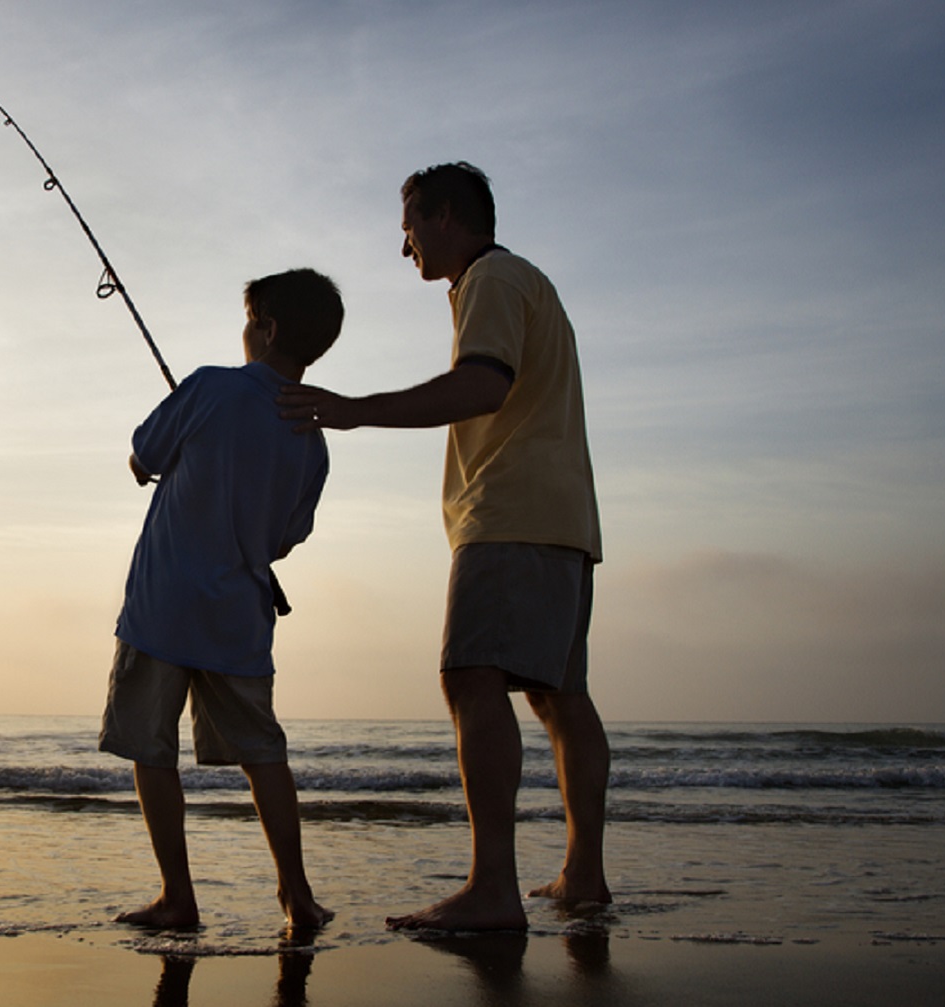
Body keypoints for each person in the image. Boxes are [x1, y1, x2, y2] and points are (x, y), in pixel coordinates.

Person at [277, 162, 610, 931]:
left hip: (510, 514)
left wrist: (355, 410)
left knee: (468, 677)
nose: (405, 250)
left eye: (409, 229)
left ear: (447, 216)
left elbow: (482, 386)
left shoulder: (491, 279)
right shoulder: (531, 282)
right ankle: (583, 875)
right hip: (564, 520)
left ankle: (492, 887)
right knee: (560, 697)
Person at [100, 268, 344, 932]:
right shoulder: (312, 439)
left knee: (153, 749)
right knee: (264, 753)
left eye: (248, 321)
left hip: (161, 607)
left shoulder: (210, 386)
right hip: (239, 617)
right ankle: (297, 894)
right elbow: (288, 537)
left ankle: (178, 897)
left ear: (264, 330)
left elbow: (141, 454)